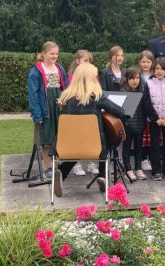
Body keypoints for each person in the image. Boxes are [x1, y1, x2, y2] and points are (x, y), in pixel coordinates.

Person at [53, 63, 125, 197]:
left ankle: (62, 172)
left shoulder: (65, 98)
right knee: (106, 140)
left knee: (78, 145)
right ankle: (103, 176)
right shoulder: (97, 97)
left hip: (68, 145)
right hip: (95, 145)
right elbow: (120, 111)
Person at [28, 41, 68, 178]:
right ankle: (47, 167)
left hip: (59, 105)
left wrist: (65, 101)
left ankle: (58, 165)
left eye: (56, 53)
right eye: (52, 53)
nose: (55, 56)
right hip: (46, 107)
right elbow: (33, 95)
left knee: (61, 135)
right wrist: (37, 115)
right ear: (44, 53)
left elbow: (66, 87)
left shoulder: (60, 68)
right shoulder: (36, 71)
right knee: (47, 137)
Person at [144, 57, 165, 180]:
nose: (159, 71)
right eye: (157, 68)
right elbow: (146, 103)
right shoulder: (148, 83)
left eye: (162, 69)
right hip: (154, 120)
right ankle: (156, 171)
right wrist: (154, 118)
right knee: (154, 145)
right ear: (154, 70)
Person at [67, 49, 98, 177]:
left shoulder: (93, 75)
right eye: (85, 61)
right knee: (77, 138)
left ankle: (92, 163)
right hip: (77, 113)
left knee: (92, 137)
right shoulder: (71, 76)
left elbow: (97, 91)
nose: (88, 63)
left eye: (89, 61)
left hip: (90, 112)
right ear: (77, 61)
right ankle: (76, 164)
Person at [120, 68, 148, 181]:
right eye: (132, 78)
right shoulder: (122, 92)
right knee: (126, 148)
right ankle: (128, 169)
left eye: (137, 78)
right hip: (127, 125)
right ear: (126, 79)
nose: (135, 81)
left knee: (138, 147)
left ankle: (138, 168)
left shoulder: (142, 92)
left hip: (140, 124)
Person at [137, 50, 154, 171]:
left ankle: (150, 157)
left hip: (153, 109)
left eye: (148, 61)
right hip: (141, 109)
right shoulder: (137, 76)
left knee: (152, 136)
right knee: (142, 136)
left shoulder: (155, 76)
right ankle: (143, 159)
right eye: (143, 61)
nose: (146, 64)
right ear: (139, 62)